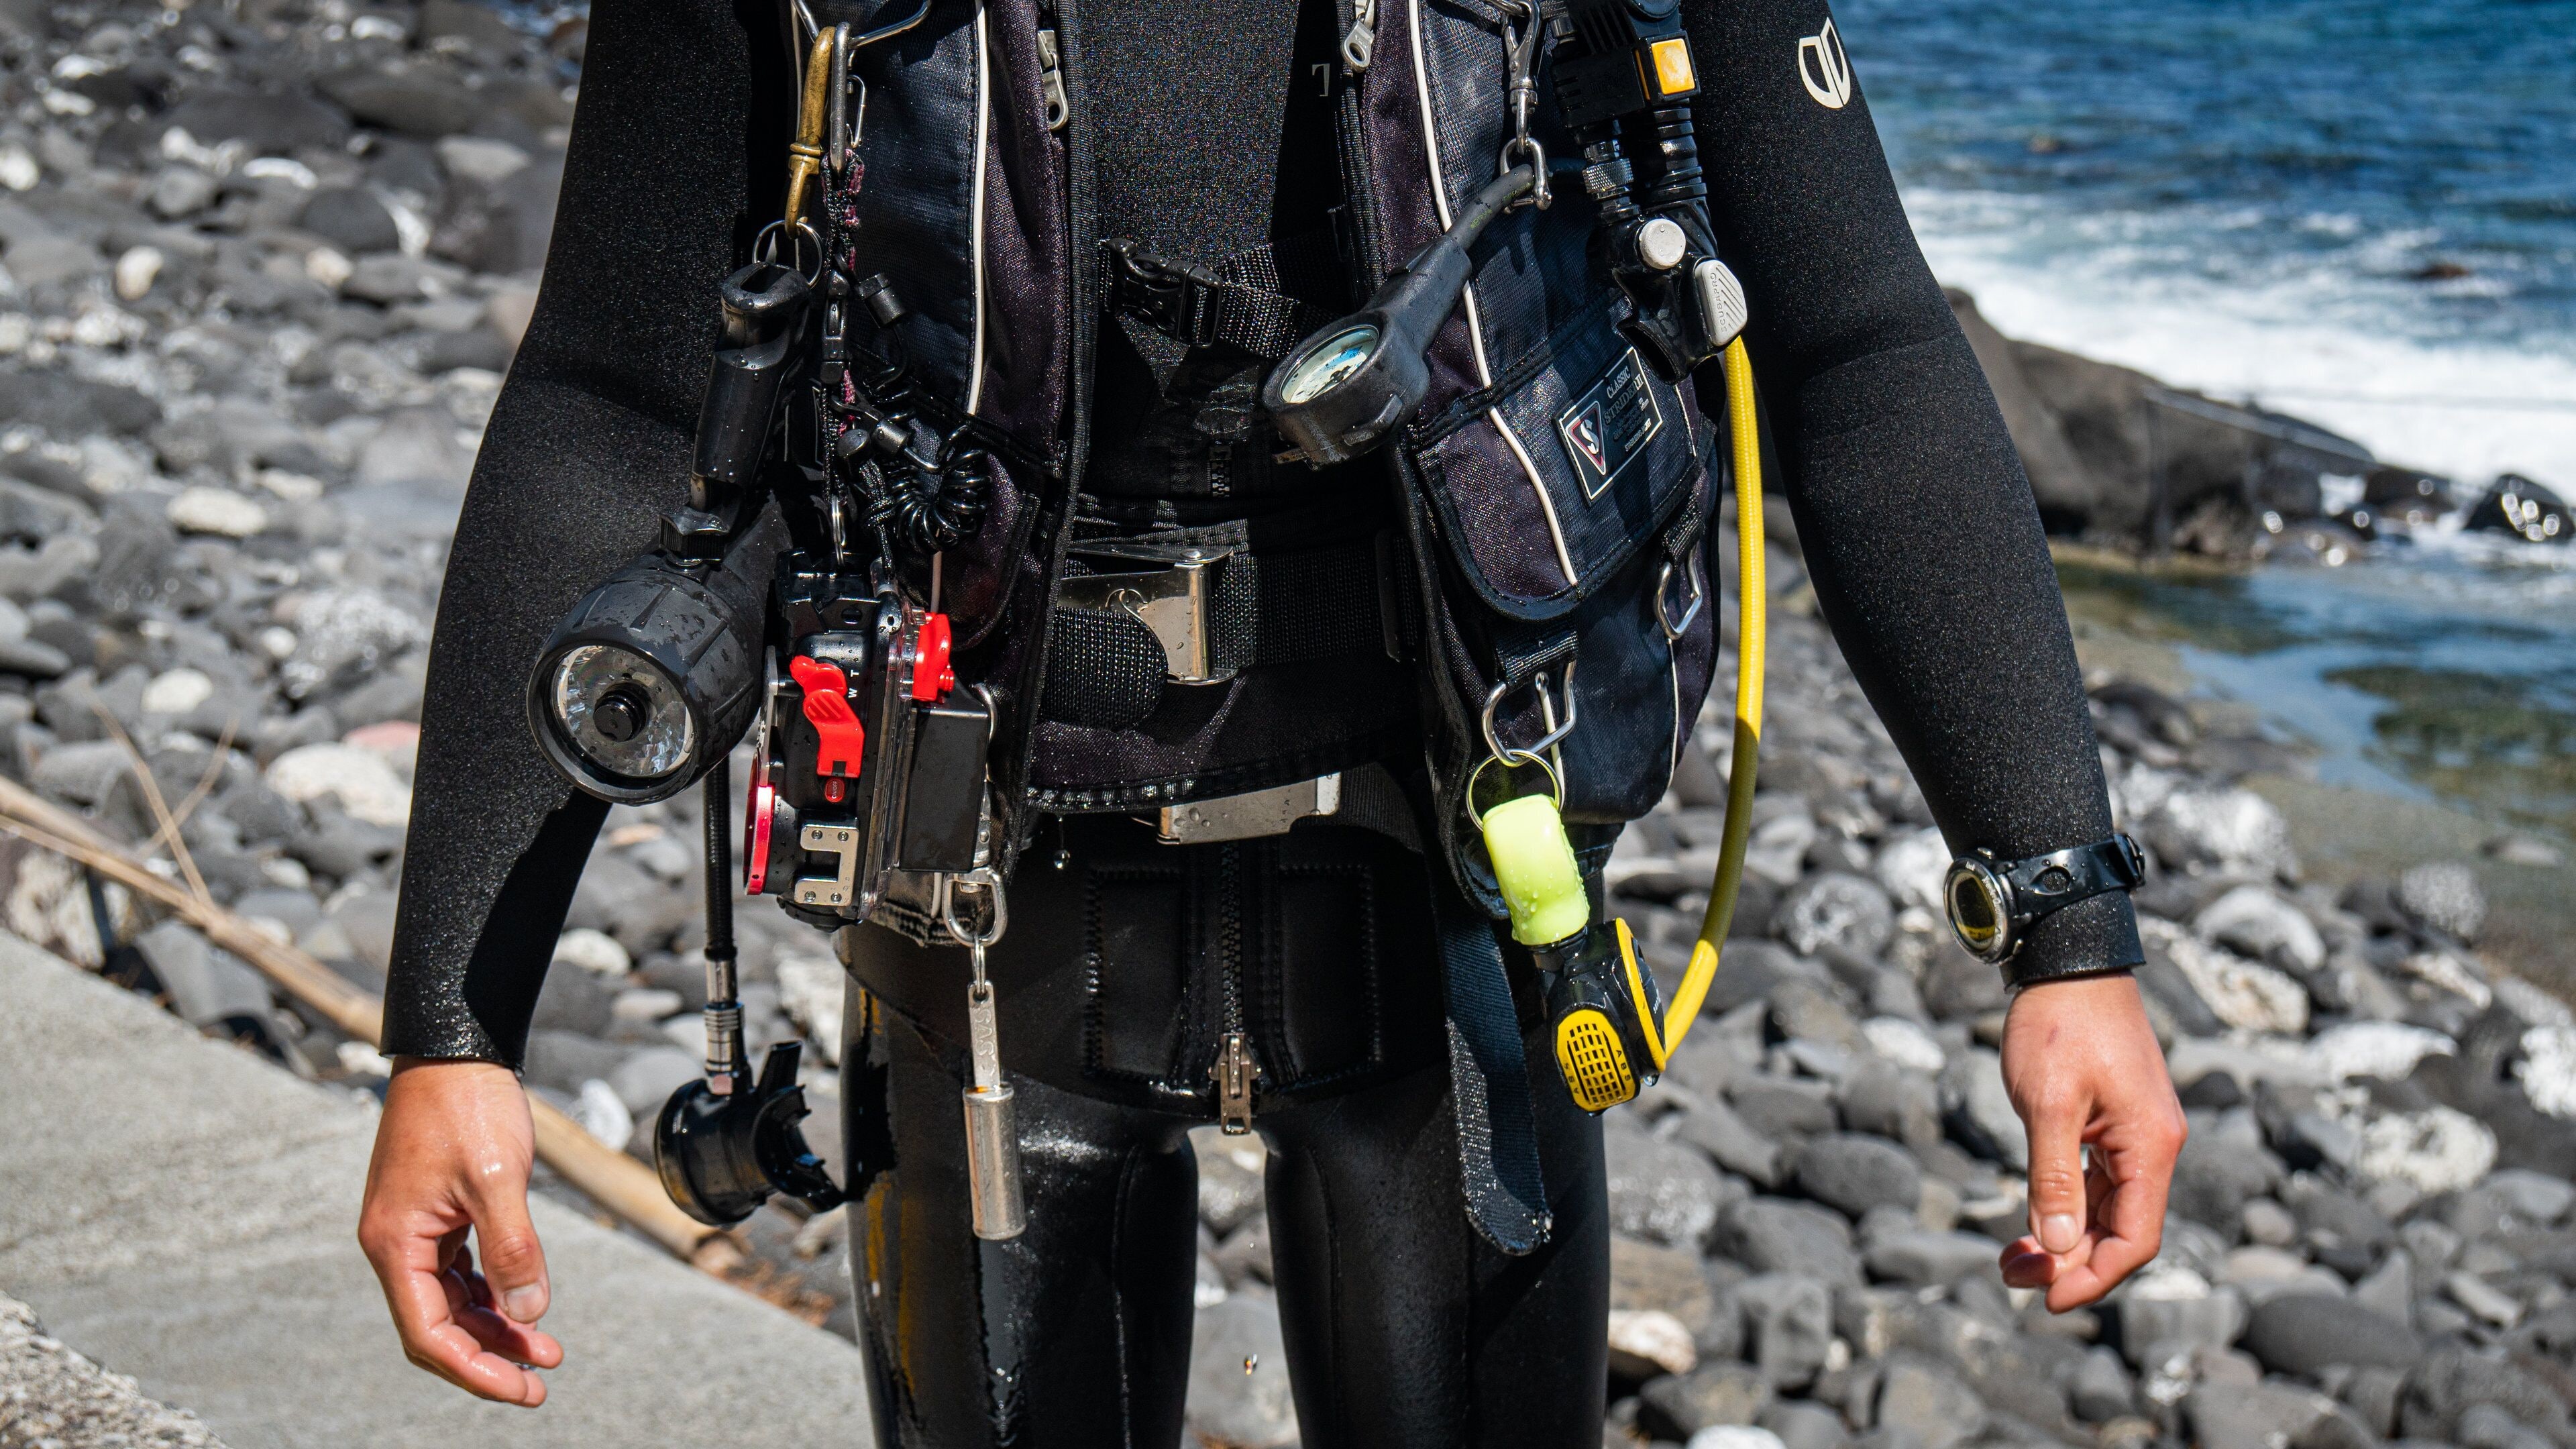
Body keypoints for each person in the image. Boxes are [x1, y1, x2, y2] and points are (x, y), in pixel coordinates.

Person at [358, 0, 2186, 1441]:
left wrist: (2061, 919)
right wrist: (452, 1025)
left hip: (1462, 876)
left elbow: (1857, 338)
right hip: (982, 915)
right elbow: (609, 396)